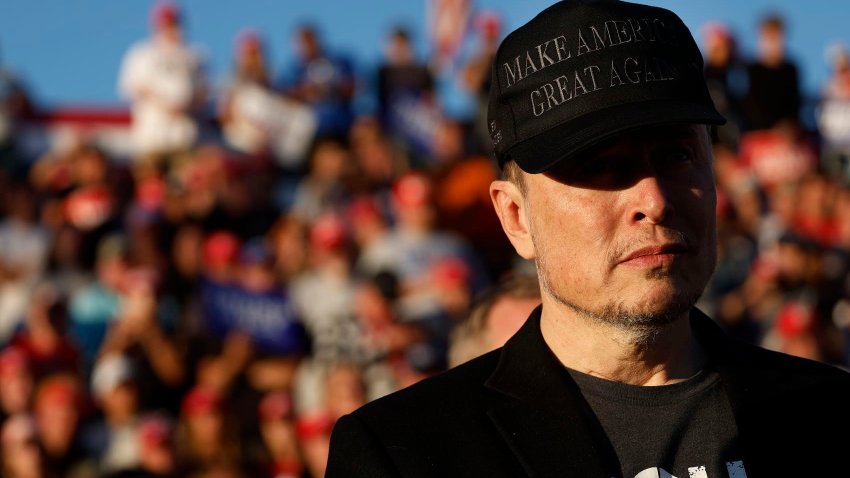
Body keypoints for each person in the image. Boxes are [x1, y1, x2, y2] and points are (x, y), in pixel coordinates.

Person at [325, 1, 850, 476]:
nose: (654, 199)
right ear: (515, 217)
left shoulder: (829, 418)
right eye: (602, 167)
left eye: (677, 155)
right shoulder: (402, 453)